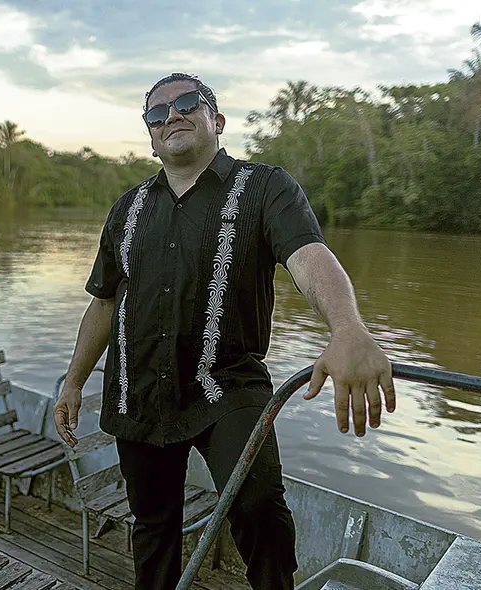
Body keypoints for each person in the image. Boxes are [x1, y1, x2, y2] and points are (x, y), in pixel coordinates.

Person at [52, 72, 396, 590]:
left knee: (259, 509)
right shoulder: (127, 208)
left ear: (217, 119)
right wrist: (74, 380)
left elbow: (308, 257)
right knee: (152, 528)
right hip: (137, 390)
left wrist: (347, 328)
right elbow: (103, 303)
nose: (172, 115)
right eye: (156, 113)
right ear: (150, 136)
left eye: (187, 102)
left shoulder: (265, 188)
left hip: (227, 386)